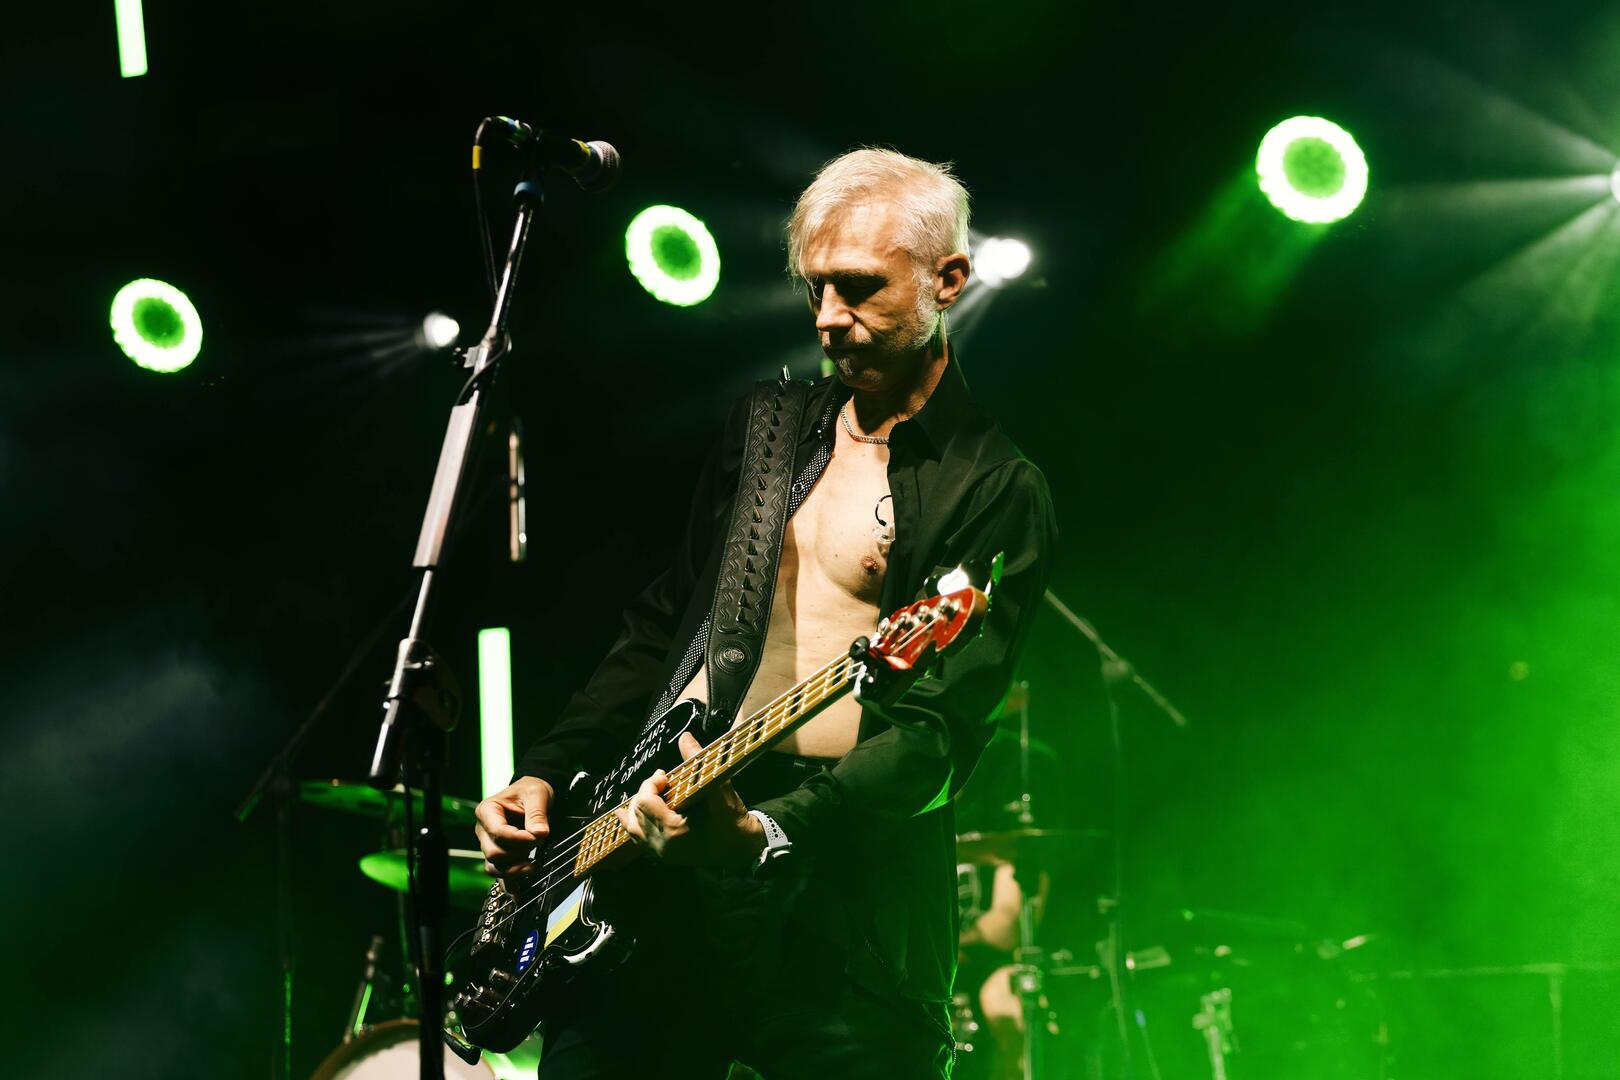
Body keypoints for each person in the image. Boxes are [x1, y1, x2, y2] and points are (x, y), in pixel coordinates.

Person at [474, 147, 1058, 1079]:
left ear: (947, 280)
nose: (827, 317)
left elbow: (936, 736)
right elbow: (667, 623)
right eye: (816, 288)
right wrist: (547, 768)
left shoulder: (995, 487)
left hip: (838, 886)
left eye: (859, 288)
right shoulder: (768, 425)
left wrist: (764, 833)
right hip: (659, 843)